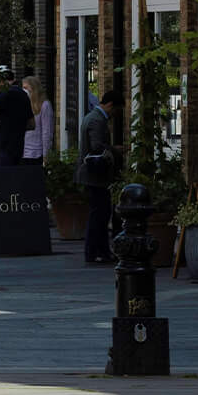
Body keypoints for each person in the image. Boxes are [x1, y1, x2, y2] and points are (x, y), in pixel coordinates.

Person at [78, 85, 119, 265]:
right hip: (95, 175)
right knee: (99, 214)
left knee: (101, 213)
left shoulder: (91, 117)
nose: (115, 115)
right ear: (110, 104)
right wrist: (114, 149)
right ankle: (95, 252)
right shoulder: (97, 120)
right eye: (116, 110)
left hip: (93, 175)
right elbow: (96, 146)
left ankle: (99, 251)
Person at [0, 71, 32, 168]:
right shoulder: (24, 95)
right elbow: (32, 124)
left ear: (1, 81)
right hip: (19, 146)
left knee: (2, 178)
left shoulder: (6, 95)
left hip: (4, 147)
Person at [23, 76, 56, 163]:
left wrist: (46, 155)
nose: (24, 91)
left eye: (26, 88)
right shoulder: (25, 105)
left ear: (34, 88)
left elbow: (47, 132)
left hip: (37, 153)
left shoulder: (45, 105)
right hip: (23, 152)